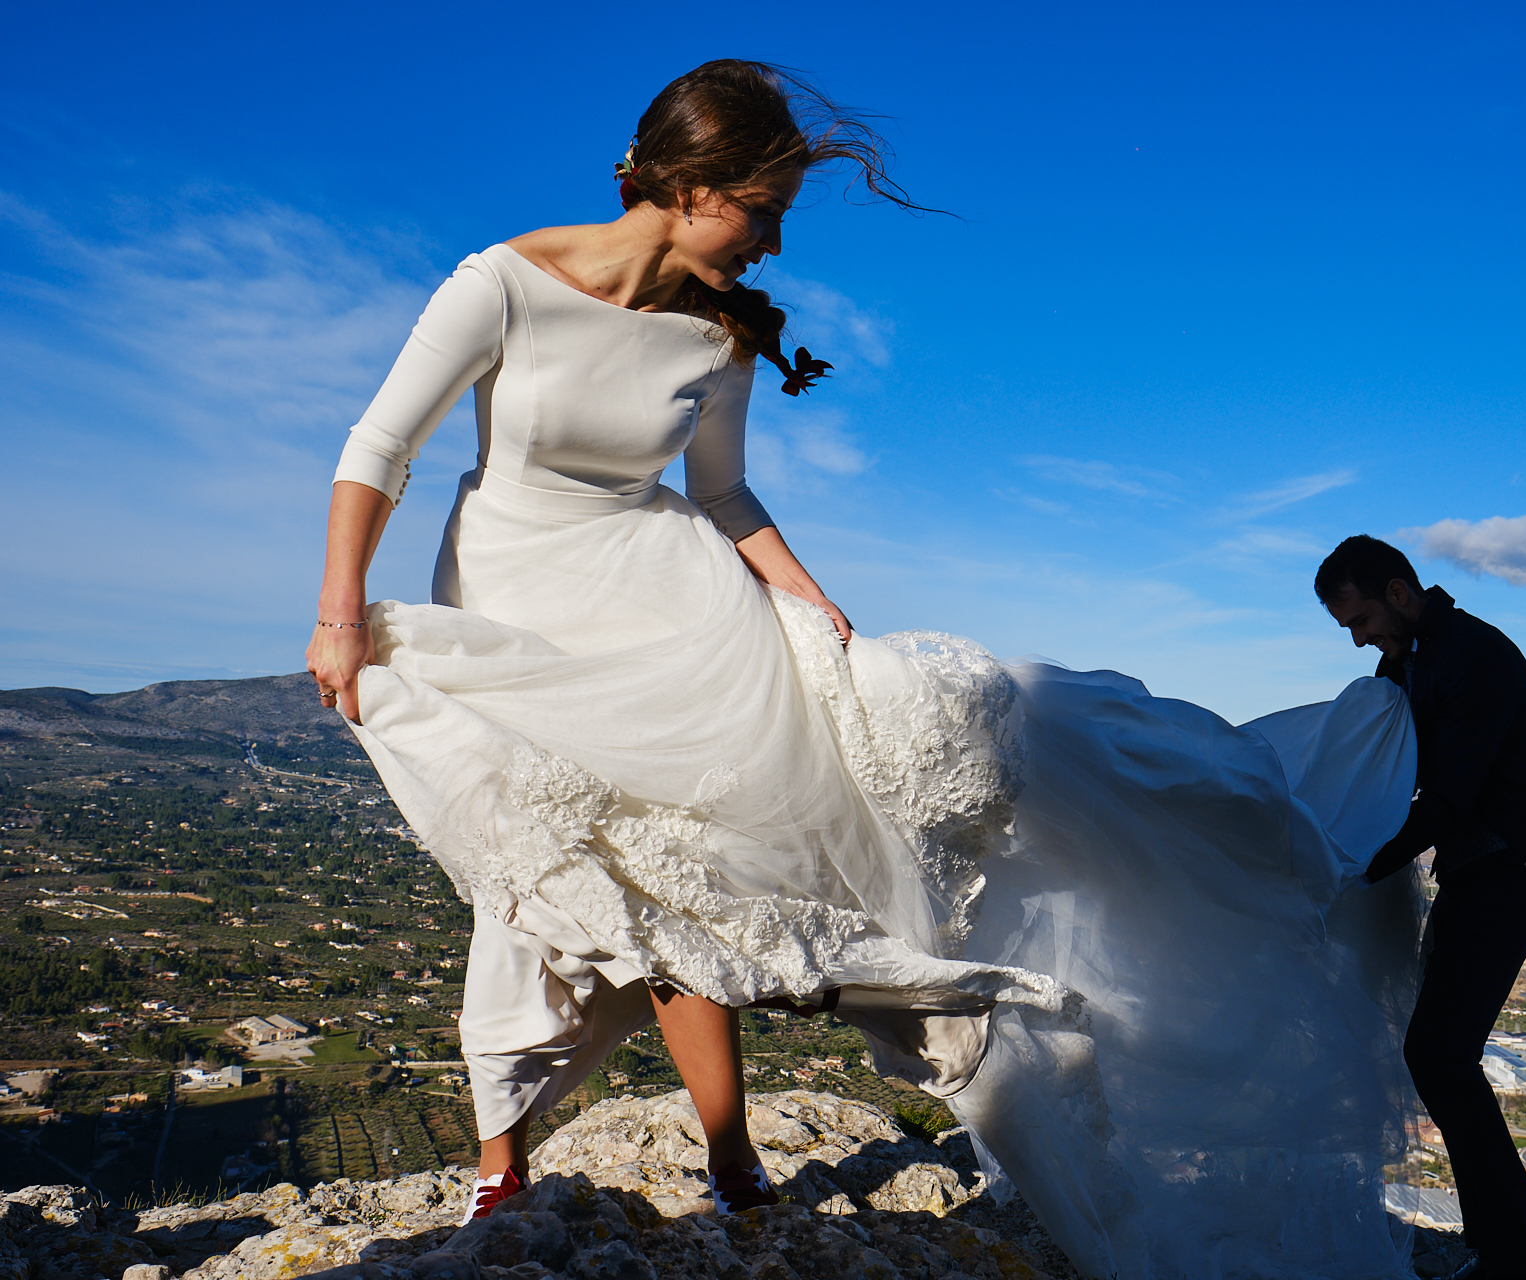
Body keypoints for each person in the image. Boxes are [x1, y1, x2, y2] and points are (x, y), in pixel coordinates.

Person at [310, 59, 1429, 1277]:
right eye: (764, 210)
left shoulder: (718, 331)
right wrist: (340, 617)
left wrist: (812, 600)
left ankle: (732, 1155)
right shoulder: (503, 283)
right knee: (536, 860)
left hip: (666, 601)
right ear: (689, 186)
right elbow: (379, 443)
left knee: (742, 839)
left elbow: (722, 492)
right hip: (518, 594)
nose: (777, 243)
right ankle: (502, 1157)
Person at [1316, 534, 1526, 1280]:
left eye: (1361, 620)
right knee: (1438, 1052)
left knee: (1440, 1054)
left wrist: (1352, 865)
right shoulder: (1406, 660)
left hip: (1519, 860)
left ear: (1400, 592)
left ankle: (1516, 1259)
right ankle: (1509, 1251)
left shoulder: (1478, 656)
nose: (1358, 640)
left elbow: (1452, 797)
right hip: (1476, 865)